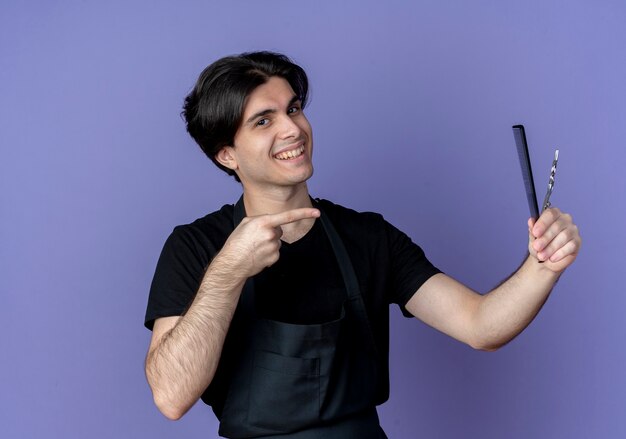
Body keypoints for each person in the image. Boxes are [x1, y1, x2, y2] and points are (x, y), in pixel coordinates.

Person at [144, 51, 581, 438]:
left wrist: (543, 265)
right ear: (227, 155)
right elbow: (171, 396)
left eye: (293, 109)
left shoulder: (367, 236)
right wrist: (229, 271)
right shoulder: (196, 247)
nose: (293, 128)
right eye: (264, 120)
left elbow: (481, 327)